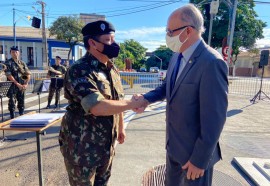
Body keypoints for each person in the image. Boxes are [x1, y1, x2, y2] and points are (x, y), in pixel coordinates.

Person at [133, 4, 228, 186]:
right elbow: (167, 87)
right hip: (174, 148)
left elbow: (214, 120)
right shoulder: (177, 55)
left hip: (194, 157)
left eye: (170, 31)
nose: (168, 36)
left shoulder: (211, 63)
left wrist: (200, 160)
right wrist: (146, 99)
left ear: (188, 31)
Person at [58, 20, 144, 186]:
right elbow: (97, 107)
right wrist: (133, 103)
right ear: (92, 43)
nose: (114, 44)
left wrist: (120, 127)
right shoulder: (79, 70)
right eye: (108, 40)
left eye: (114, 39)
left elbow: (117, 100)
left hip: (106, 147)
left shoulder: (112, 69)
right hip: (81, 150)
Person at [4, 46, 31, 119]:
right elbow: (9, 75)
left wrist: (26, 83)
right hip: (12, 86)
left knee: (21, 102)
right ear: (10, 53)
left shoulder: (22, 63)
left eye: (16, 52)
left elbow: (27, 74)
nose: (15, 53)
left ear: (18, 53)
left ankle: (21, 116)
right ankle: (12, 117)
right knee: (12, 102)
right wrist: (17, 84)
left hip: (22, 86)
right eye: (13, 52)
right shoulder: (8, 63)